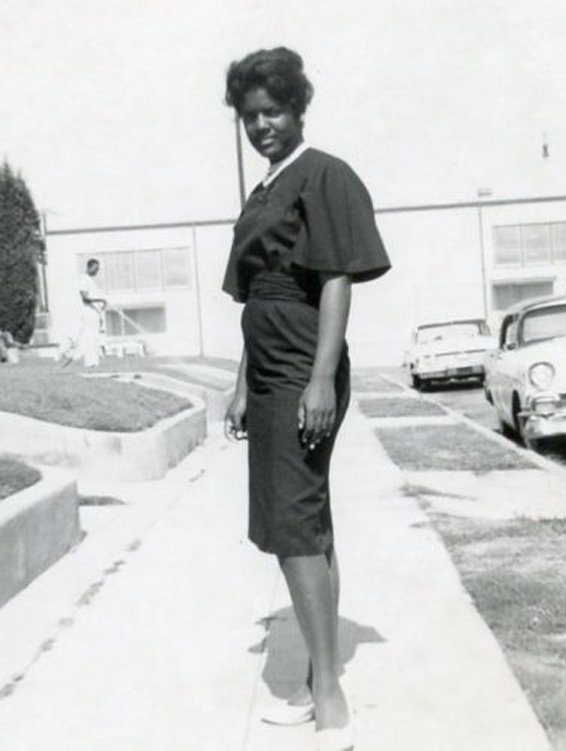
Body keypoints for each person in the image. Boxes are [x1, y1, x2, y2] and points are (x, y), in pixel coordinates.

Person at [222, 48, 390, 751]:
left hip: (301, 362)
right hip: (266, 368)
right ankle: (321, 674)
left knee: (293, 525)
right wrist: (239, 382)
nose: (262, 125)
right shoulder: (264, 189)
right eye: (250, 115)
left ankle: (331, 701)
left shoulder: (323, 174)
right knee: (307, 522)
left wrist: (321, 377)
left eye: (274, 111)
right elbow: (254, 292)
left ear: (299, 108)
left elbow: (337, 278)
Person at [77, 258, 108, 367]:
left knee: (95, 336)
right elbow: (85, 298)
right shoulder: (83, 279)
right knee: (90, 336)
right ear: (89, 267)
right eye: (95, 269)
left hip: (94, 312)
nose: (97, 271)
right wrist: (101, 300)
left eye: (98, 269)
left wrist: (100, 304)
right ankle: (90, 362)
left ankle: (94, 361)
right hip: (89, 311)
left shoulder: (90, 280)